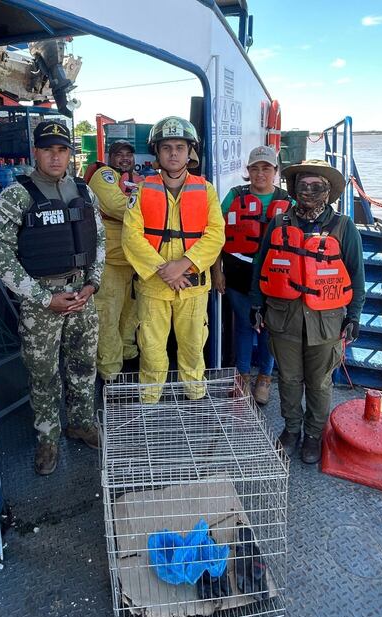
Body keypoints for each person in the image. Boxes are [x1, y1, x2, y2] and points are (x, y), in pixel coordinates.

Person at [0, 120, 106, 475]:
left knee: (84, 367)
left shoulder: (85, 192)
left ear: (70, 153)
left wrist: (93, 284)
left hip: (82, 295)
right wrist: (43, 298)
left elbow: (99, 241)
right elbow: (1, 257)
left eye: (62, 150)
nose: (55, 157)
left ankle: (81, 422)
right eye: (48, 150)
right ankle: (47, 438)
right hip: (42, 301)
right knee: (42, 374)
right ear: (36, 152)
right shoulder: (17, 195)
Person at [250, 159, 365, 464]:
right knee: (287, 380)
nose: (309, 191)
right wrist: (256, 306)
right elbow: (260, 267)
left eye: (317, 186)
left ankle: (313, 434)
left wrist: (354, 317)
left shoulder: (344, 227)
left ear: (328, 191)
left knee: (319, 383)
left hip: (326, 323)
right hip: (282, 317)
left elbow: (357, 276)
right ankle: (291, 430)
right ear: (294, 188)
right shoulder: (279, 224)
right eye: (303, 185)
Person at [122, 116, 225, 403]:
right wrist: (163, 270)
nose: (173, 153)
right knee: (152, 348)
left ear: (190, 150)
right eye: (166, 147)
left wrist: (184, 264)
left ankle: (195, 396)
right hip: (153, 286)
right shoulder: (141, 190)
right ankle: (149, 399)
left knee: (193, 346)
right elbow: (131, 237)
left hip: (193, 286)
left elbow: (216, 234)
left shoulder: (206, 190)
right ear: (157, 152)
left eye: (180, 146)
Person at [211, 145, 293, 404]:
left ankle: (265, 379)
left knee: (269, 328)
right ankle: (243, 377)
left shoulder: (288, 203)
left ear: (275, 171)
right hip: (238, 274)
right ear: (248, 171)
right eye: (254, 168)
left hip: (275, 278)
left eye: (266, 168)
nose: (260, 173)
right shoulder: (234, 197)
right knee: (245, 326)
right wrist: (217, 271)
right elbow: (216, 236)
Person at [87, 139, 143, 381]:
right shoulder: (103, 176)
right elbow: (117, 205)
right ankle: (110, 372)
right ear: (109, 156)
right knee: (108, 316)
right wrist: (151, 211)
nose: (124, 159)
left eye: (128, 154)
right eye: (118, 154)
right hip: (109, 260)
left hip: (135, 260)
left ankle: (128, 357)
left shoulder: (139, 179)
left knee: (132, 316)